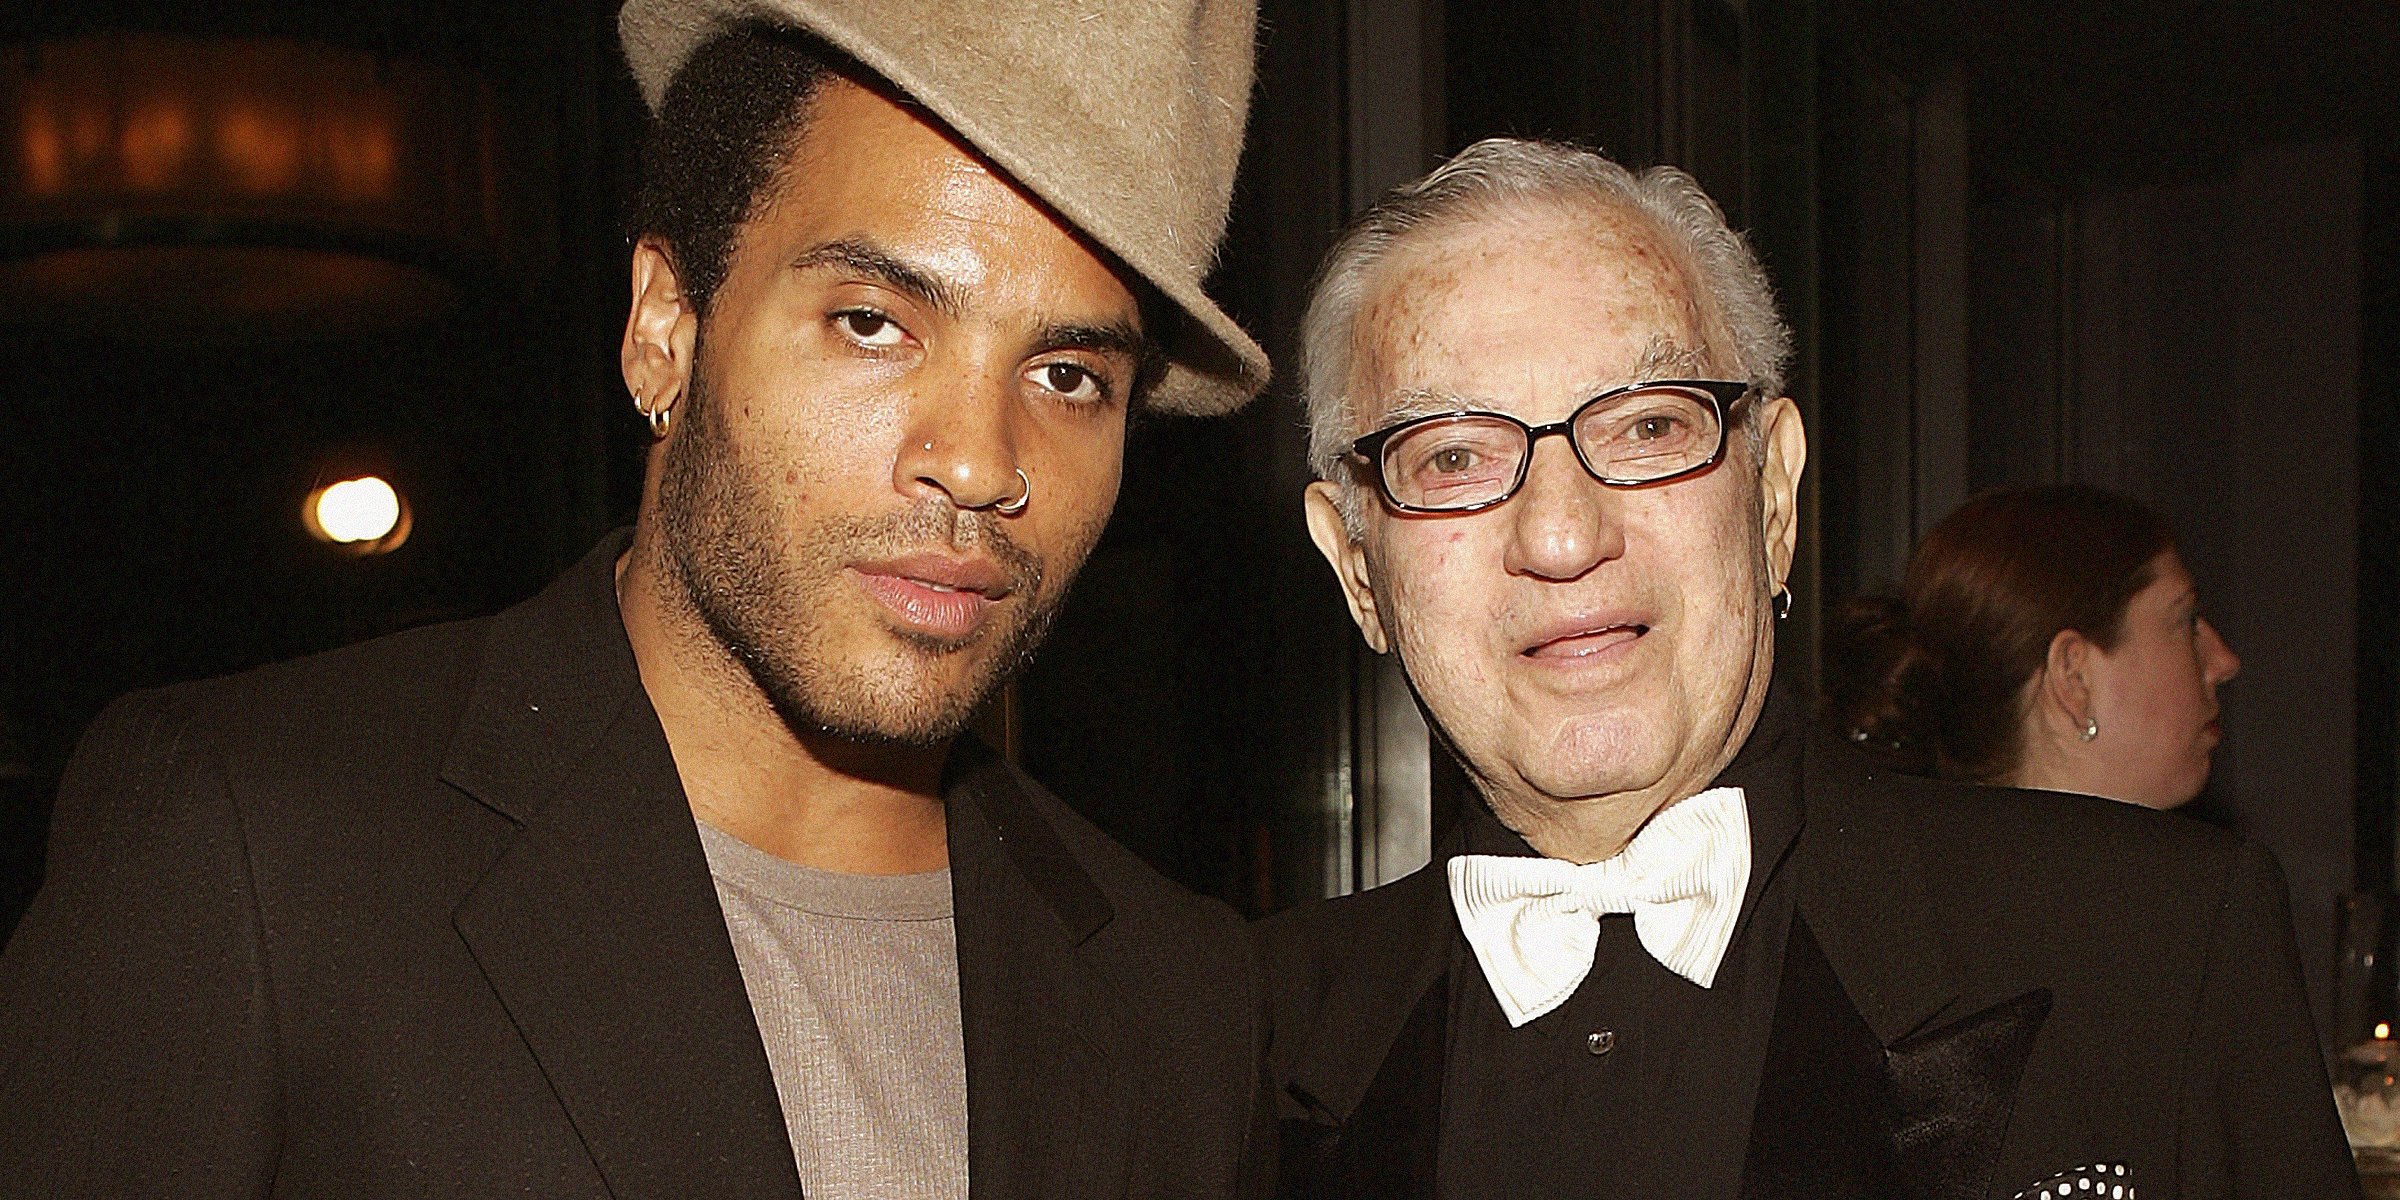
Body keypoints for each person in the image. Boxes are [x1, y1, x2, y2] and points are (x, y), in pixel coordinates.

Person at [0, 1, 1273, 1196]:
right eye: (873, 322)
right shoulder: (254, 846)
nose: (983, 462)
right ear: (666, 326)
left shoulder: (1183, 1000)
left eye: (1065, 374)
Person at [1260, 137, 2354, 1200]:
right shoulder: (1232, 1048)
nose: (1560, 535)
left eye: (1649, 426)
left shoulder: (2157, 951)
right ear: (1359, 565)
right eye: (1453, 457)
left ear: (1773, 497)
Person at [1826, 484, 2242, 810]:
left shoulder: (1912, 896)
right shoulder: (2205, 901)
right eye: (2185, 621)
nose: (2224, 662)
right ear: (2074, 676)